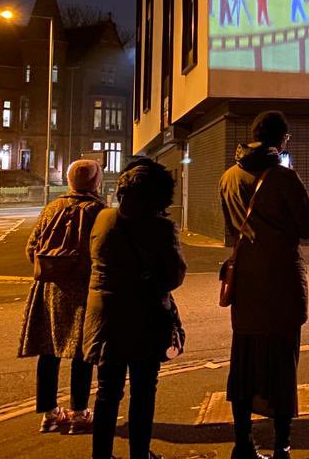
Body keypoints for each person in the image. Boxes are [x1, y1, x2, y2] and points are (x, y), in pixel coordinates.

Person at [220, 111, 309, 459]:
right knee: (282, 361)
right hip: (282, 281)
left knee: (243, 360)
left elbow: (230, 230)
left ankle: (243, 444)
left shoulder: (228, 177)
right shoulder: (284, 178)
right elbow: (308, 226)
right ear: (281, 139)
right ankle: (281, 445)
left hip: (245, 280)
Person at [83, 158, 187, 459]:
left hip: (104, 316)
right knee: (143, 390)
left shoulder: (103, 218)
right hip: (144, 317)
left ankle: (101, 455)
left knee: (107, 391)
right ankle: (139, 454)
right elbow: (174, 275)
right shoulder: (161, 227)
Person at [19, 159, 106, 435]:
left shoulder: (52, 208)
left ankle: (50, 413)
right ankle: (80, 412)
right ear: (96, 182)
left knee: (49, 350)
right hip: (83, 289)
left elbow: (31, 248)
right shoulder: (98, 211)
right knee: (82, 351)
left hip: (49, 289)